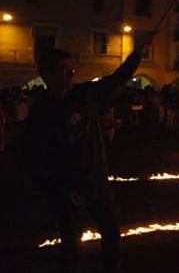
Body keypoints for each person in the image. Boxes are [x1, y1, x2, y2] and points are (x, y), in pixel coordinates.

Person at [19, 34, 153, 273]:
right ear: (48, 75)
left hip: (96, 179)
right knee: (71, 242)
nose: (71, 74)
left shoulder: (84, 95)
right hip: (67, 188)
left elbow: (116, 80)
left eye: (72, 69)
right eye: (64, 70)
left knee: (111, 234)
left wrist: (138, 54)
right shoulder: (40, 114)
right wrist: (59, 187)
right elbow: (34, 157)